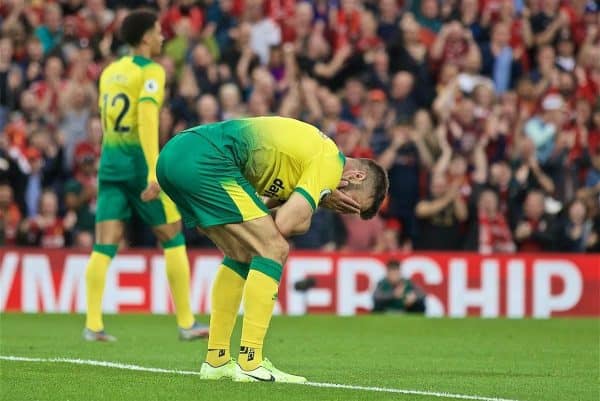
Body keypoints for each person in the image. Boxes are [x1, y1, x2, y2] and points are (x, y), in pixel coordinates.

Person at [156, 116, 389, 382]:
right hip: (204, 158)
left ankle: (217, 360)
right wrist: (321, 196)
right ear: (356, 176)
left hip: (176, 156)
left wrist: (312, 200)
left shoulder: (307, 160)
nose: (343, 206)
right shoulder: (329, 163)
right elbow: (286, 224)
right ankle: (251, 362)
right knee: (274, 248)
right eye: (352, 203)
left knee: (240, 252)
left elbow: (267, 212)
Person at [82, 9, 207, 342]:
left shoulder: (109, 71)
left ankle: (93, 324)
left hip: (110, 165)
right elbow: (148, 120)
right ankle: (186, 322)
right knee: (173, 236)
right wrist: (154, 171)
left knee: (104, 244)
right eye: (157, 31)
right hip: (139, 166)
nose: (162, 36)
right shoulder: (151, 71)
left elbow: (107, 120)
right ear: (145, 37)